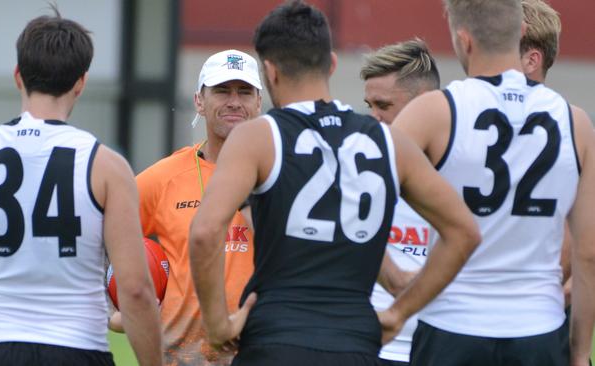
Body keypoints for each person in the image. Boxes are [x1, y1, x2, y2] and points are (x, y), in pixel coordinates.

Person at [189, 1, 481, 365]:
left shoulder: (257, 137)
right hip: (354, 342)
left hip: (276, 338)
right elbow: (464, 231)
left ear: (269, 71)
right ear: (331, 63)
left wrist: (217, 324)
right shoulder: (388, 140)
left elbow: (204, 233)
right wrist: (399, 312)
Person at [0, 9, 162, 366]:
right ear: (81, 82)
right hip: (78, 349)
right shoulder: (106, 166)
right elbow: (136, 289)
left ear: (18, 76)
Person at [392, 1, 595, 365]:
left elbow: (362, 199)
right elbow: (588, 252)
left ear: (464, 40)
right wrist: (579, 352)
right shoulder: (575, 122)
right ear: (519, 32)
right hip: (538, 330)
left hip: (452, 326)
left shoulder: (435, 111)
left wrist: (392, 285)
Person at [111, 49, 261, 365]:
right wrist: (114, 311)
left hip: (263, 352)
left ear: (259, 102)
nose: (234, 101)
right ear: (199, 101)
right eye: (222, 90)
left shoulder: (279, 175)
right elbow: (97, 240)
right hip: (182, 358)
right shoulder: (163, 178)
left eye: (244, 91)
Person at [360, 39, 440, 366]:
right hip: (371, 349)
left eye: (384, 105)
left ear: (423, 103)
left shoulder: (464, 174)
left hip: (439, 351)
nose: (374, 118)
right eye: (370, 107)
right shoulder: (359, 170)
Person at [520, 0, 576, 309]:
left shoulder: (571, 128)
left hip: (536, 312)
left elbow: (578, 233)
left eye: (500, 51)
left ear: (532, 60)